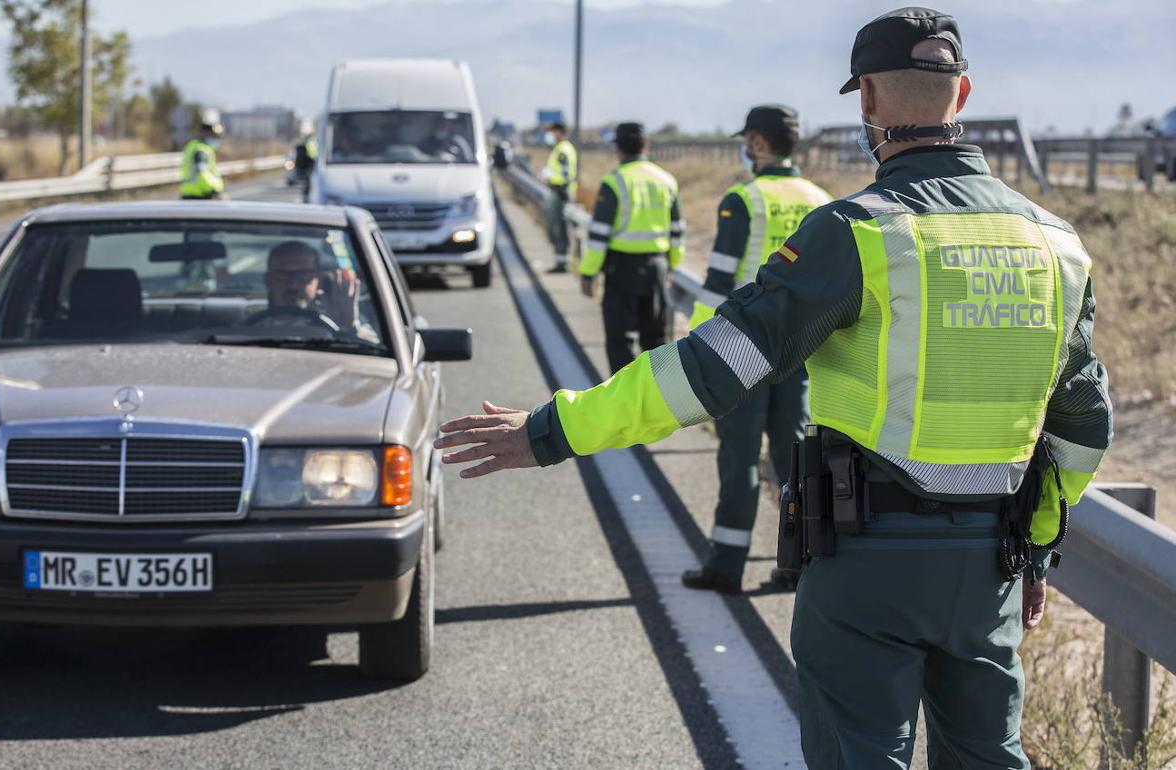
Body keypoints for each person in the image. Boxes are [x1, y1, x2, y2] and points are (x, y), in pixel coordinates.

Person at [434, 8, 1112, 769]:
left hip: (867, 565)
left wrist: (553, 430)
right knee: (991, 757)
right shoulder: (1058, 245)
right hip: (990, 562)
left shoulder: (861, 231)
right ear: (962, 96)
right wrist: (1037, 544)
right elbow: (1085, 427)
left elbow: (710, 370)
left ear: (867, 103)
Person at [681, 105, 834, 595]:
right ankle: (795, 566)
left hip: (742, 353)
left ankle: (726, 566)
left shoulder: (743, 199)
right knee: (793, 463)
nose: (745, 150)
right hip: (801, 352)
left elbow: (718, 281)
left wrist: (701, 351)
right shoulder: (822, 201)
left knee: (740, 459)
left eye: (747, 140)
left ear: (761, 144)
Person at [580, 122, 686, 373]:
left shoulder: (614, 182)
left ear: (617, 148)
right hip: (657, 267)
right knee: (657, 341)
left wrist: (588, 272)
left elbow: (598, 237)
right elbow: (678, 231)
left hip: (621, 271)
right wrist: (671, 263)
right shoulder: (667, 180)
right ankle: (657, 402)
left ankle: (625, 405)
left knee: (620, 342)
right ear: (646, 146)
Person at [259, 240, 377, 343]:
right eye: (283, 275)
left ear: (319, 281)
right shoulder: (243, 322)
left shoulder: (343, 317)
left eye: (304, 275)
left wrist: (346, 328)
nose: (293, 285)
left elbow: (375, 353)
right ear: (268, 281)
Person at [540, 122, 578, 273]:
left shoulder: (563, 150)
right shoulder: (560, 148)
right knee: (555, 228)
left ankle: (562, 264)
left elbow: (565, 174)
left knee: (559, 228)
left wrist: (551, 177)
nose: (549, 135)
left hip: (561, 193)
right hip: (557, 191)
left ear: (558, 132)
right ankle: (560, 262)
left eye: (552, 132)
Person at [180, 118, 225, 200]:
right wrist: (213, 190)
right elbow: (201, 174)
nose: (216, 139)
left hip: (191, 196)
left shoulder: (193, 146)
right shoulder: (201, 151)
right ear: (204, 134)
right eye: (214, 135)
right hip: (200, 197)